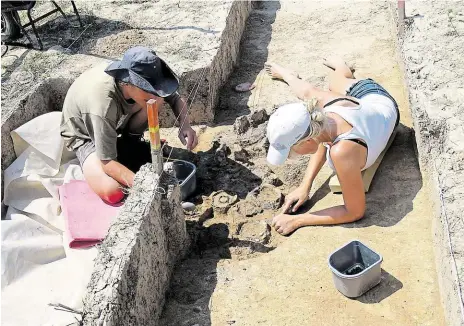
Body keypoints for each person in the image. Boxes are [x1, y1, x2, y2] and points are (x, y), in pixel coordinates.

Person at [265, 57, 399, 235]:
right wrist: (305, 186)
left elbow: (354, 211)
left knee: (334, 82)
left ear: (307, 141)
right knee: (310, 93)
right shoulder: (324, 120)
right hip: (370, 107)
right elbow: (321, 138)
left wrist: (297, 220)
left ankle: (341, 66)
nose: (293, 156)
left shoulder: (342, 152)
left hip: (374, 96)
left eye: (292, 151)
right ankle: (288, 76)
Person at [60, 46, 198, 204]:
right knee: (112, 191)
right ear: (127, 83)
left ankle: (129, 144)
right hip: (85, 136)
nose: (154, 94)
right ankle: (124, 151)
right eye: (148, 89)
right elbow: (107, 163)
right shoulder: (103, 106)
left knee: (156, 101)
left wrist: (185, 125)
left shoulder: (141, 88)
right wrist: (147, 186)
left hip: (114, 123)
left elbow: (174, 98)